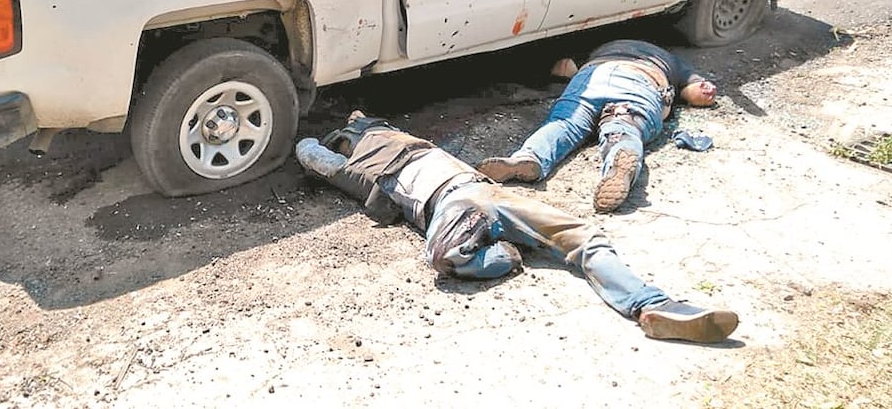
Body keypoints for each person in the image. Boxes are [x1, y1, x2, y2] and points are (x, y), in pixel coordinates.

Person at [295, 112, 739, 344]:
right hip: (466, 202)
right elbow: (322, 158)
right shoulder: (390, 160)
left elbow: (314, 156)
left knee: (577, 235)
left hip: (467, 200)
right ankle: (644, 301)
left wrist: (300, 137)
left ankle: (653, 305)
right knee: (578, 238)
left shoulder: (372, 165)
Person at [478, 39, 718, 213]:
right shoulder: (669, 61)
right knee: (623, 127)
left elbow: (562, 67)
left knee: (564, 124)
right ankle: (618, 165)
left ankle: (530, 157)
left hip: (592, 76)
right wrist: (705, 90)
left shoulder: (599, 48)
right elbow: (697, 93)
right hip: (640, 81)